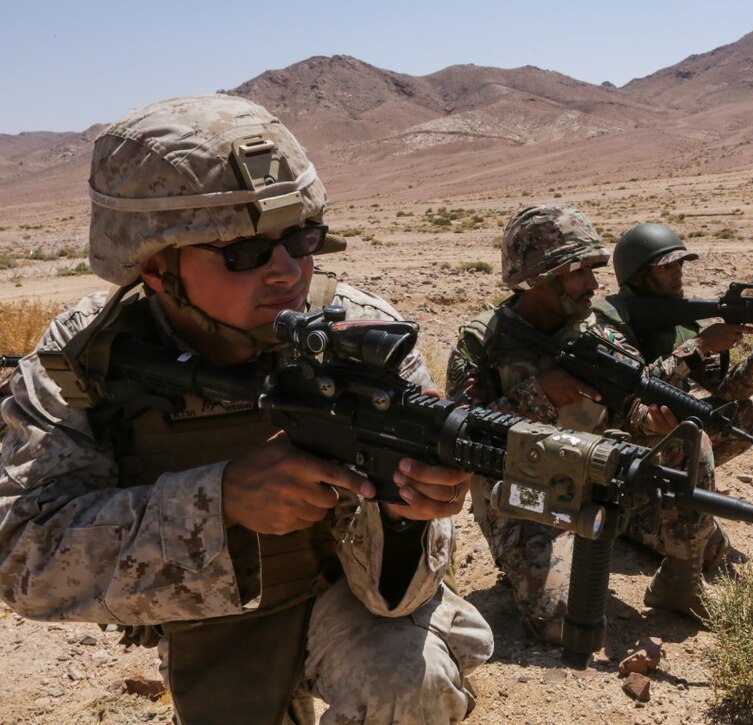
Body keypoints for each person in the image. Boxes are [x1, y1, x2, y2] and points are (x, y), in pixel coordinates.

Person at [0, 95, 492, 724]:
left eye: (301, 238)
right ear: (156, 268)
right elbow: (24, 558)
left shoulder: (368, 341)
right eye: (242, 252)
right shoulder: (85, 361)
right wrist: (220, 499)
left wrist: (403, 514)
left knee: (404, 678)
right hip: (205, 614)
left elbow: (399, 598)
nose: (287, 271)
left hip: (340, 594)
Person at [445, 205, 723, 645]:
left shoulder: (597, 333)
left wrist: (646, 421)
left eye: (594, 269)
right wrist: (539, 393)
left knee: (703, 513)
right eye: (579, 272)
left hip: (601, 479)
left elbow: (626, 406)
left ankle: (679, 582)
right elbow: (459, 437)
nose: (595, 283)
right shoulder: (482, 340)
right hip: (526, 497)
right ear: (539, 276)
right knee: (567, 620)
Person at [593, 222, 753, 465]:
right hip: (617, 433)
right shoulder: (608, 321)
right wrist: (700, 345)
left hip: (665, 423)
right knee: (693, 438)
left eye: (680, 263)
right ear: (637, 276)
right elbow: (631, 389)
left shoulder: (680, 321)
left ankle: (679, 482)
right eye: (666, 267)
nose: (678, 272)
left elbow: (727, 392)